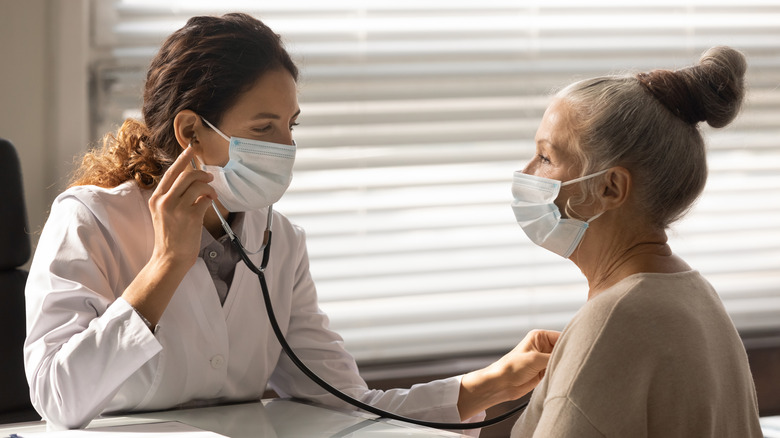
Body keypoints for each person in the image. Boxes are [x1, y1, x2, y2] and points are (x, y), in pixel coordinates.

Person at [23, 13, 559, 430]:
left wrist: (490, 384)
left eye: (290, 125)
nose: (287, 146)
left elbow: (348, 406)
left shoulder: (278, 240)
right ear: (191, 132)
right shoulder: (90, 221)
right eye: (264, 126)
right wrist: (166, 265)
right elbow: (57, 399)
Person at [508, 46, 762, 437]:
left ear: (610, 187)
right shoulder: (695, 296)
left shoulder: (611, 323)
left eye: (545, 158)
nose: (526, 173)